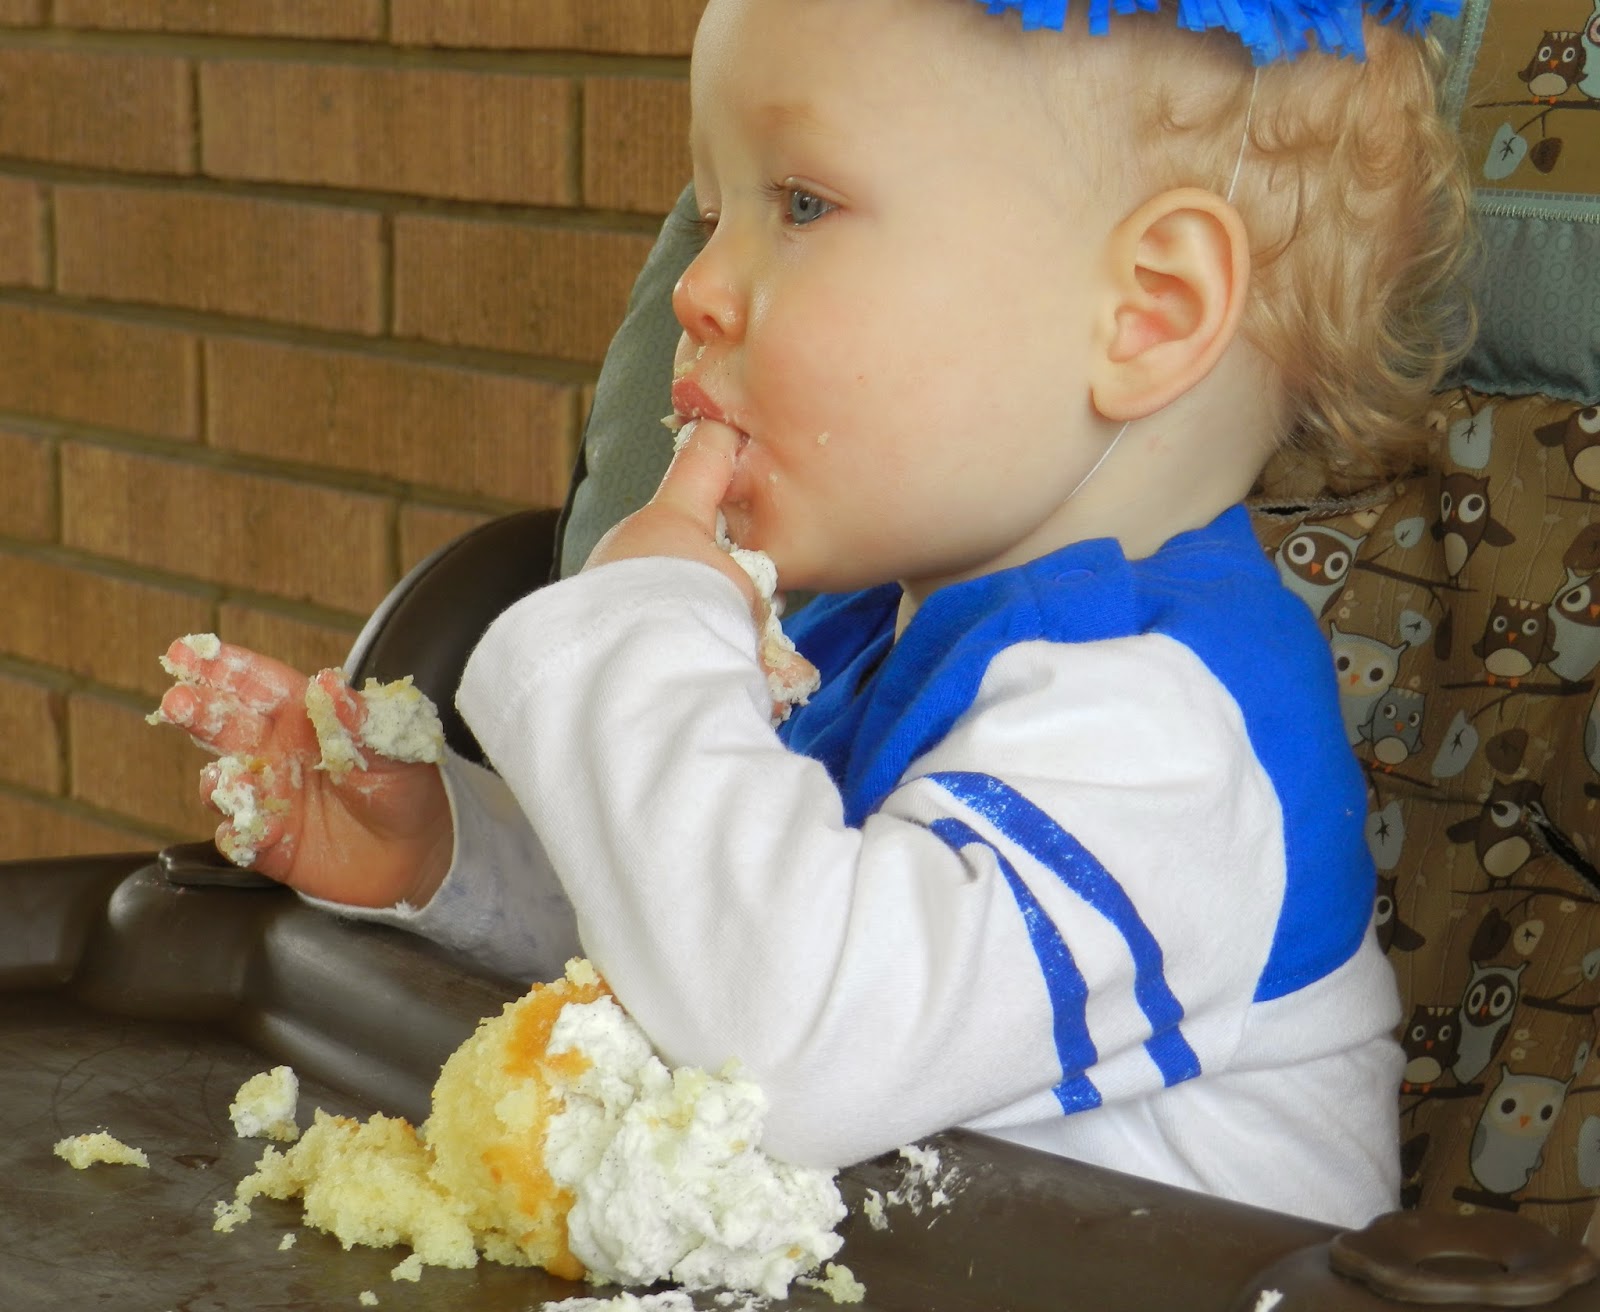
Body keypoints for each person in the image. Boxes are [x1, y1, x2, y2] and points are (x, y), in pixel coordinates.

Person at [153, 0, 1474, 1228]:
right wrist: (454, 854)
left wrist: (638, 627)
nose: (696, 289)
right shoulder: (853, 635)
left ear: (1147, 311)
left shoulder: (1167, 736)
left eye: (799, 204)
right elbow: (703, 937)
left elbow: (786, 1043)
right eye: (712, 213)